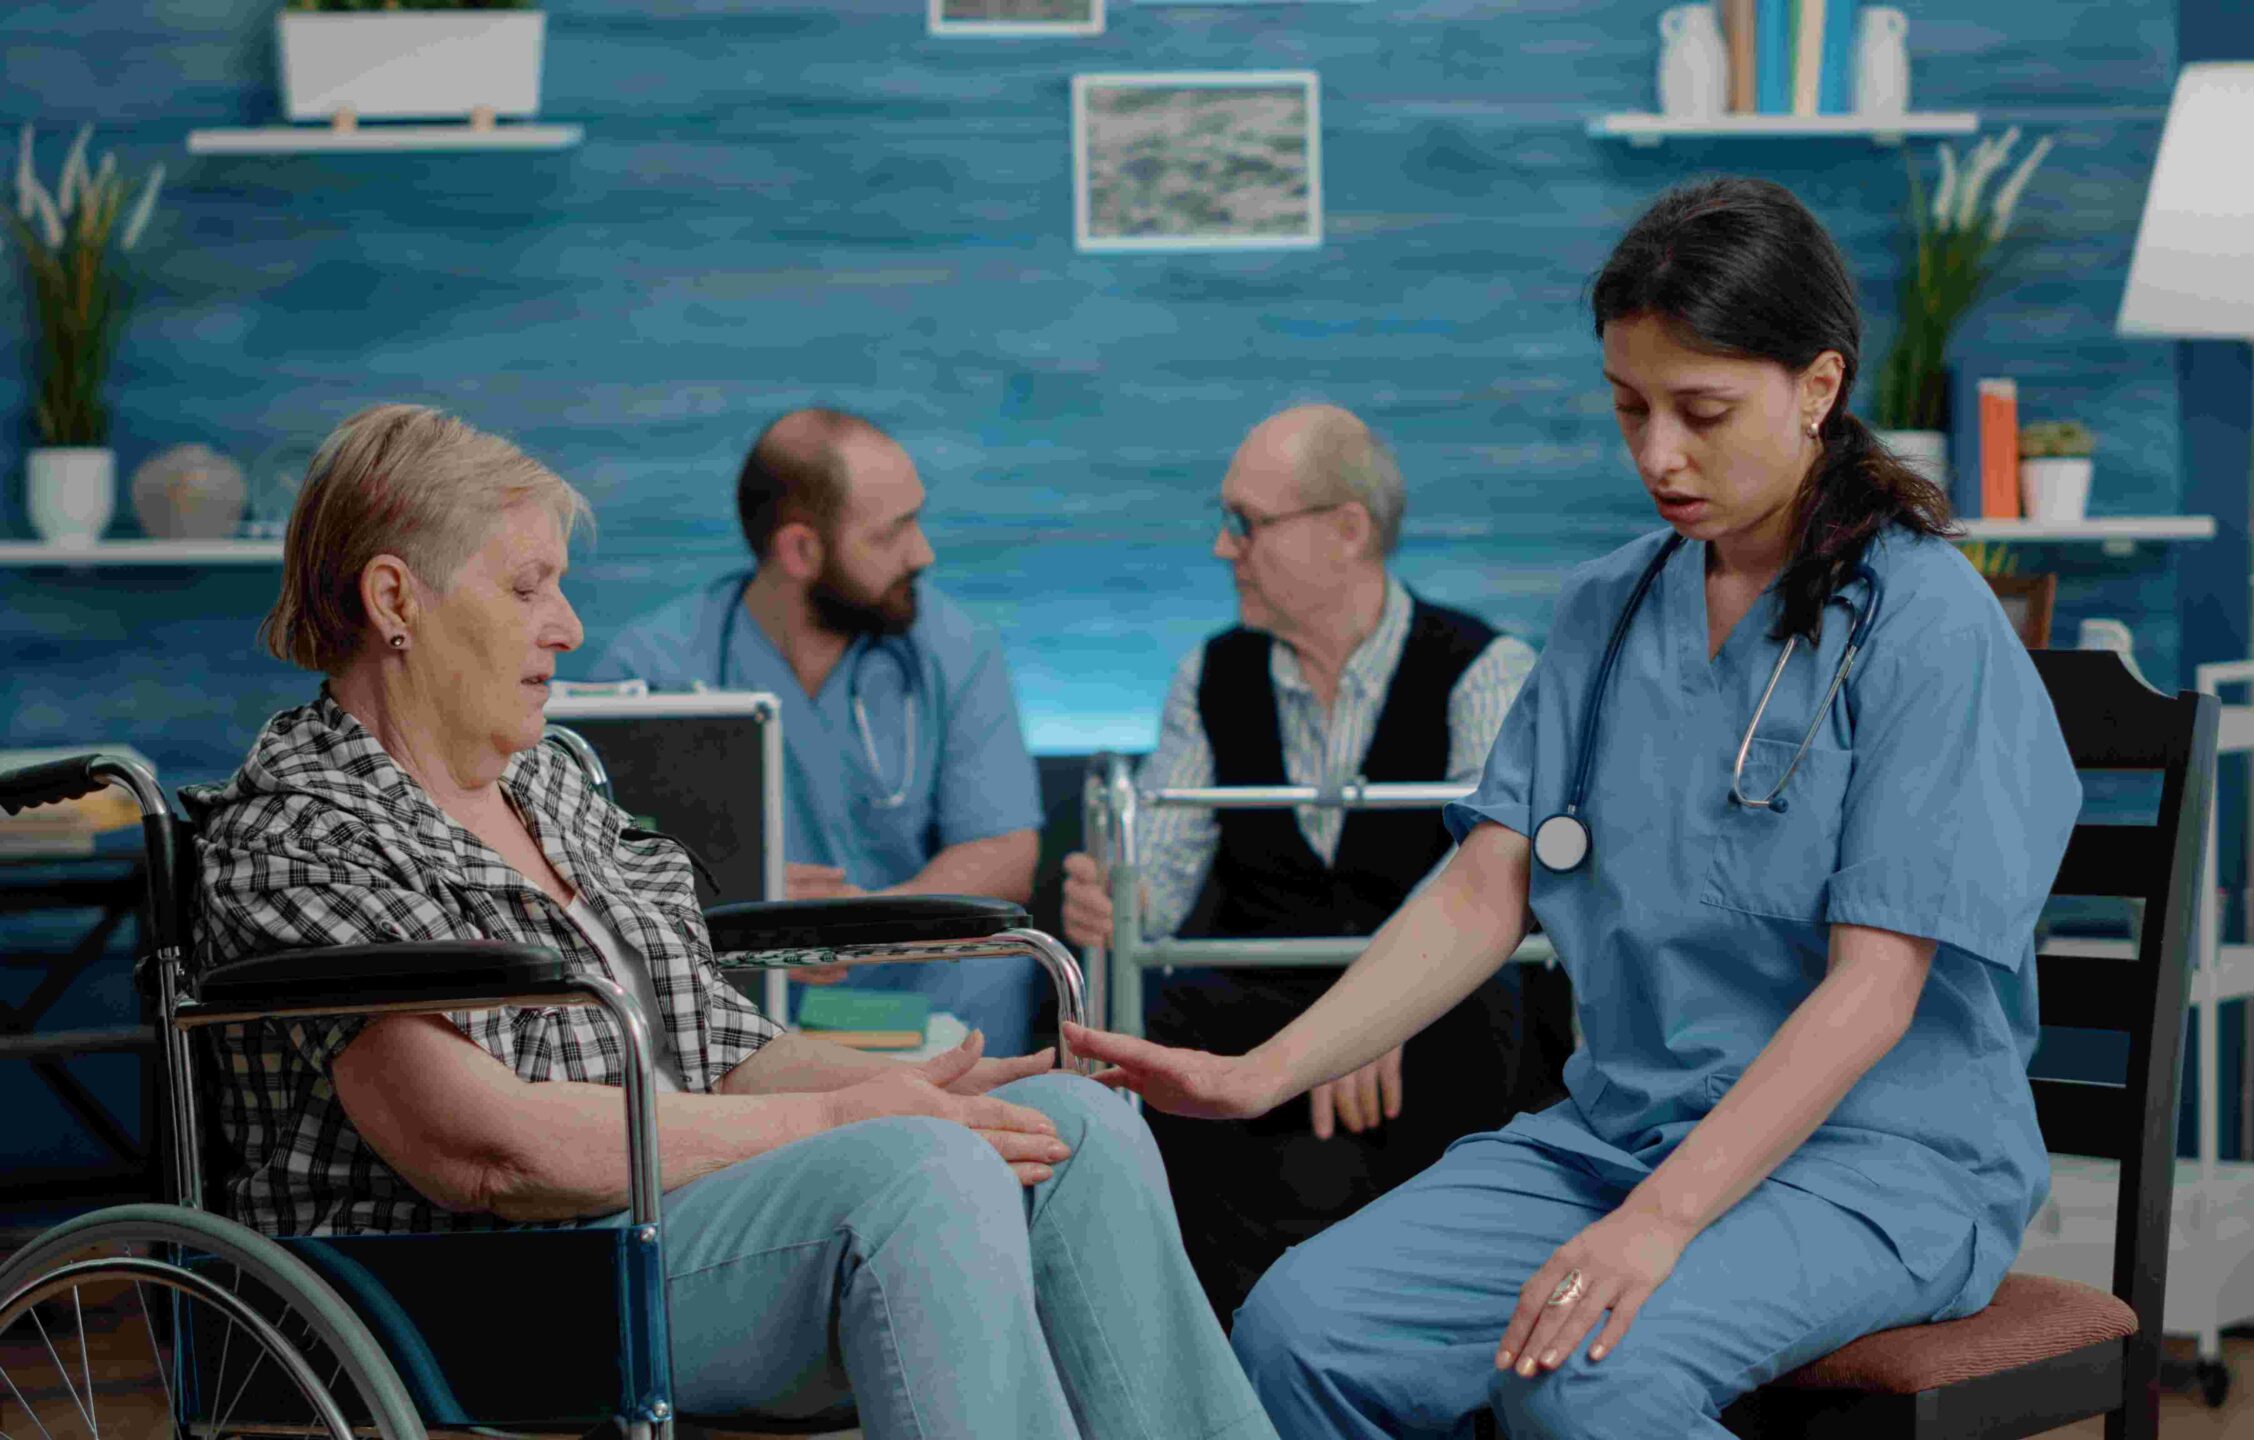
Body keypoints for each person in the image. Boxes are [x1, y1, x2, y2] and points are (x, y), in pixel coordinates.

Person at [1064, 176, 2085, 1439]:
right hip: (1617, 1138)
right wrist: (1256, 1075)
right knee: (1301, 1331)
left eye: (1701, 412)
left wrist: (1658, 1223)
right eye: (1628, 408)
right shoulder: (1609, 610)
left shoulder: (1927, 621)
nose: (1657, 455)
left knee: (1585, 1372)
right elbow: (1484, 890)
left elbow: (1875, 991)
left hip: (1874, 1162)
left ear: (1818, 386)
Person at [193, 403, 1276, 1440]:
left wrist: (924, 1090)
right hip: (484, 1281)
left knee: (1077, 1128)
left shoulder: (550, 783)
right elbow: (484, 1152)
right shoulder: (303, 832)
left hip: (672, 1214)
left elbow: (716, 1049)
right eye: (527, 588)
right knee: (922, 1173)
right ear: (395, 599)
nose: (568, 627)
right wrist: (845, 1118)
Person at [1057, 403, 1556, 1327]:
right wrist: (1114, 898)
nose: (1223, 547)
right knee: (1166, 1056)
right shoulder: (1209, 676)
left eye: (1246, 523)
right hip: (1256, 1008)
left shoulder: (1490, 671)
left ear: (1348, 530)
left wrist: (1372, 1017)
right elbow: (1155, 886)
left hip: (1436, 1017)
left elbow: (1486, 875)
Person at [597, 410, 1047, 1055]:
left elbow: (1005, 850)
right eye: (892, 533)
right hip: (741, 1017)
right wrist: (742, 908)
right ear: (801, 551)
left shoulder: (954, 649)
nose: (923, 553)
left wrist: (861, 928)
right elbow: (596, 873)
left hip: (935, 1004)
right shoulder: (653, 668)